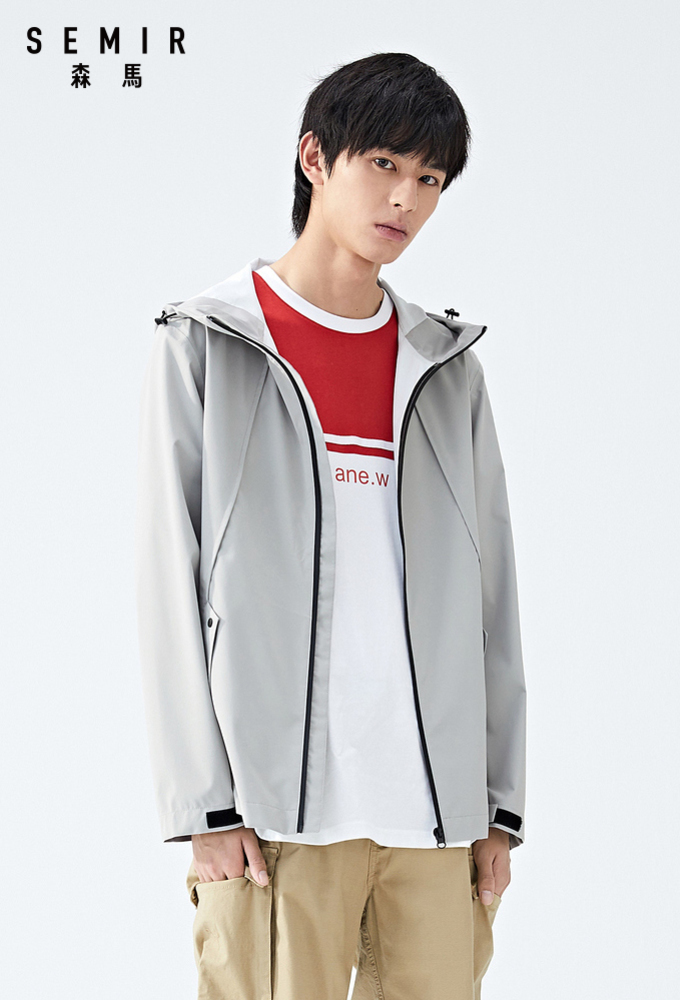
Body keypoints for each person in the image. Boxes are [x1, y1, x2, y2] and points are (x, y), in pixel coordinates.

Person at [135, 51, 527, 1000]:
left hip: (434, 821)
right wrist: (206, 806)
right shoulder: (209, 343)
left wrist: (498, 807)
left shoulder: (446, 367)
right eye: (384, 163)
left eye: (430, 179)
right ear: (315, 157)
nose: (405, 199)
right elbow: (167, 584)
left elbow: (491, 598)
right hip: (274, 823)